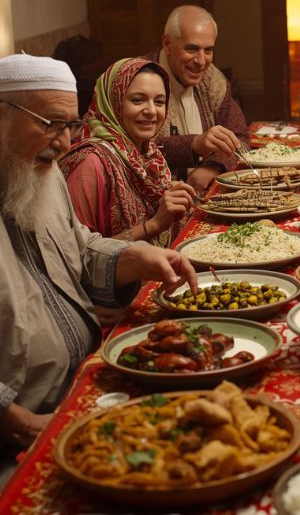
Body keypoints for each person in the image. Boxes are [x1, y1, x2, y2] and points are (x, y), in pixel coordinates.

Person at [0, 54, 197, 483]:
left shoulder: (44, 171)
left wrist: (134, 257)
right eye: (50, 123)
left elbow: (79, 246)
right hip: (23, 425)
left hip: (85, 379)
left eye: (71, 125)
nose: (65, 142)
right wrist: (11, 418)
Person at [60, 58, 195, 246]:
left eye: (159, 101)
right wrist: (154, 224)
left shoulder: (148, 152)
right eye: (137, 100)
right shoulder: (90, 163)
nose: (151, 111)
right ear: (114, 103)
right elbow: (79, 253)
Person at [145, 5, 249, 192]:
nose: (201, 61)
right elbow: (132, 152)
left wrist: (213, 166)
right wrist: (193, 145)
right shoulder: (139, 82)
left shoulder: (212, 79)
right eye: (192, 49)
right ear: (167, 45)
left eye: (208, 50)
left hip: (199, 201)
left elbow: (240, 137)